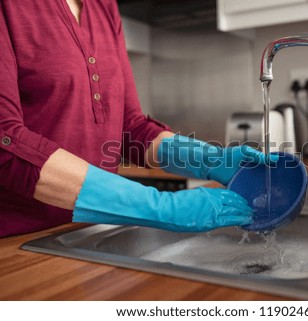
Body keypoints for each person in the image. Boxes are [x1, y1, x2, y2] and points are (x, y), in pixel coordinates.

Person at [0, 0, 273, 237]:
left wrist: (211, 159)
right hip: (16, 243)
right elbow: (6, 142)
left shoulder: (104, 7)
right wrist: (161, 207)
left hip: (88, 231)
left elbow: (129, 126)